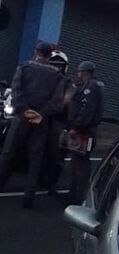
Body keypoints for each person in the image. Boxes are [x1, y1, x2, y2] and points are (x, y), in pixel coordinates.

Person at [0, 42, 65, 208]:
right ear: (50, 55)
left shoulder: (24, 67)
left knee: (8, 153)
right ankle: (29, 196)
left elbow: (16, 90)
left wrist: (25, 110)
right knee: (36, 159)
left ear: (36, 52)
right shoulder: (57, 74)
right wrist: (41, 114)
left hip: (21, 117)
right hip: (41, 121)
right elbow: (57, 101)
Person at [66, 60, 103, 204]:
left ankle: (78, 197)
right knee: (77, 161)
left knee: (80, 163)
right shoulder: (94, 85)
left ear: (85, 72)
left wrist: (76, 127)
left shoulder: (91, 87)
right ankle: (74, 193)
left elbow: (86, 109)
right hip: (86, 130)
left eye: (80, 71)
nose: (78, 74)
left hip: (85, 131)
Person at [40, 50, 72, 196]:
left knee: (56, 155)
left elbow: (66, 103)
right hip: (42, 120)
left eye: (60, 66)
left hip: (59, 122)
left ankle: (52, 184)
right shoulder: (43, 80)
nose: (57, 68)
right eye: (54, 65)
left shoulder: (67, 83)